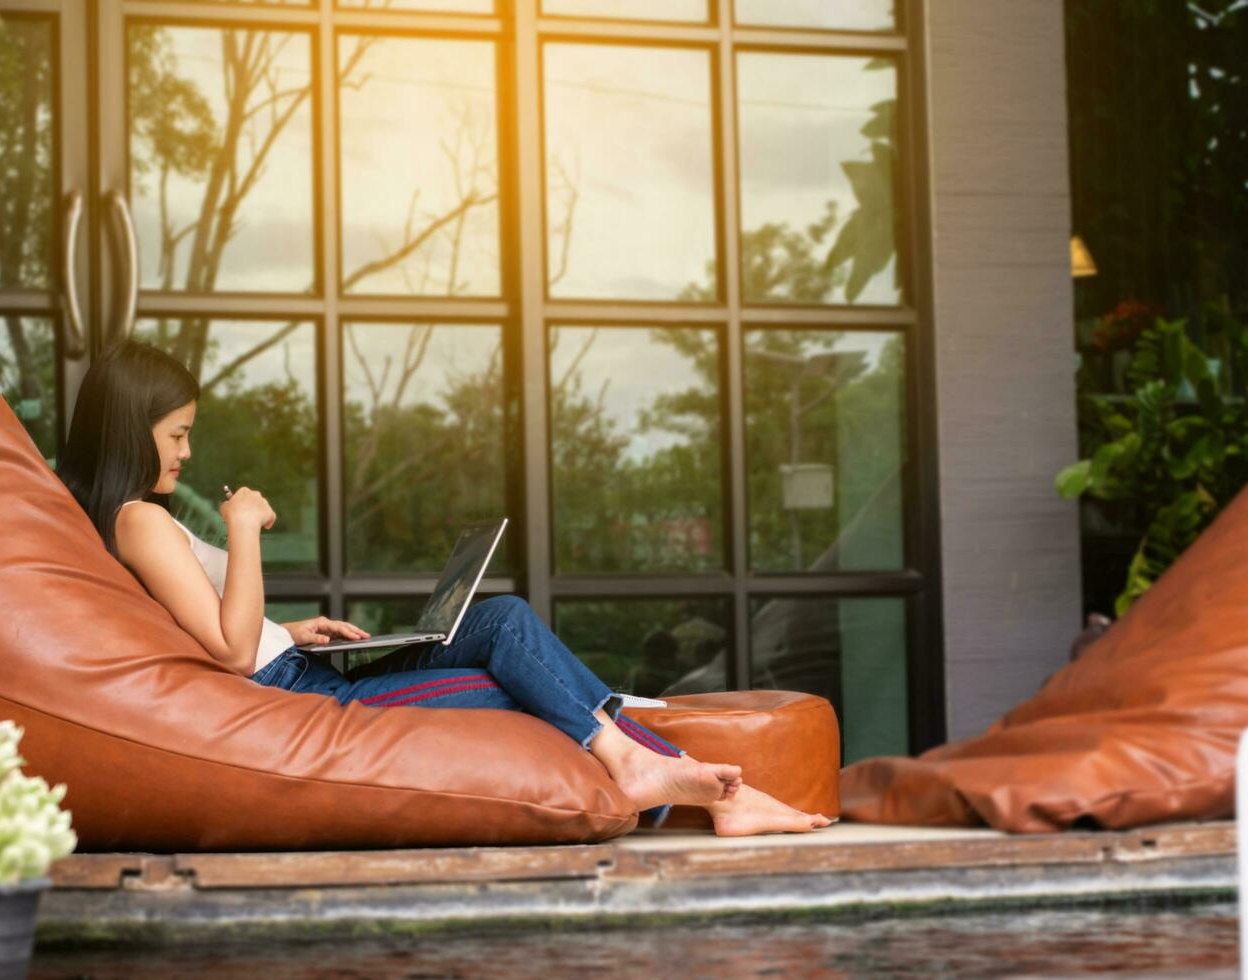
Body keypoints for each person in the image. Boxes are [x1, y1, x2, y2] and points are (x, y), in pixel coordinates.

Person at [57, 341, 830, 836]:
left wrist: (289, 629)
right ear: (133, 428)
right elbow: (229, 654)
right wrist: (243, 530)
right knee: (519, 684)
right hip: (291, 693)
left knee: (503, 620)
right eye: (177, 433)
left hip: (295, 663)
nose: (188, 450)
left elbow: (223, 630)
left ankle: (650, 764)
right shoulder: (138, 521)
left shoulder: (139, 521)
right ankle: (691, 786)